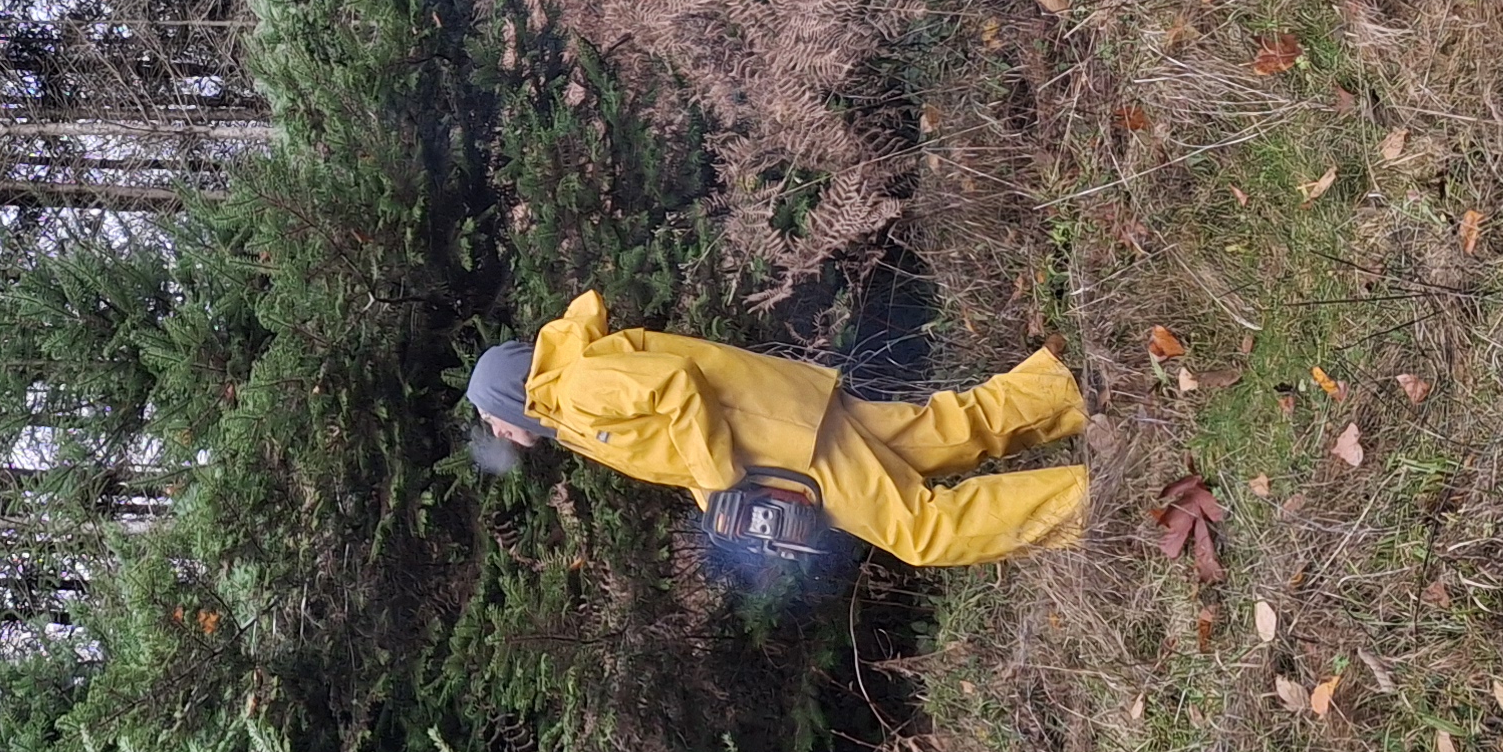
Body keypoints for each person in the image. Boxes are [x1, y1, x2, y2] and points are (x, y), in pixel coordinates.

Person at [463, 290, 1090, 569]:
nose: (500, 433)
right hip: (789, 420)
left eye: (494, 418)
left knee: (924, 533)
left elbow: (677, 386)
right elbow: (670, 440)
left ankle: (1096, 502)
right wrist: (714, 501)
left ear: (511, 398)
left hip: (789, 446)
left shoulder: (577, 388)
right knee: (941, 432)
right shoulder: (569, 404)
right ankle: (1065, 390)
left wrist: (721, 481)